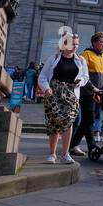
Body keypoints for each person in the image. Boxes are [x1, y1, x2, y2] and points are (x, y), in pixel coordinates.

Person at [38, 35, 88, 164]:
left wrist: (80, 81)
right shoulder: (54, 58)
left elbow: (85, 77)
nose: (75, 47)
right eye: (73, 44)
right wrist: (46, 88)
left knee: (68, 122)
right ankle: (52, 154)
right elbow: (42, 76)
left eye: (77, 44)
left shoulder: (81, 60)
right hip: (53, 93)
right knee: (53, 123)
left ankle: (65, 154)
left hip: (71, 95)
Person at [72, 32, 103, 155]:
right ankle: (91, 146)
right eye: (102, 42)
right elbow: (83, 75)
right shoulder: (86, 55)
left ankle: (73, 144)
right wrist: (93, 88)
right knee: (89, 119)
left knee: (88, 121)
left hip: (100, 94)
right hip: (87, 93)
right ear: (94, 43)